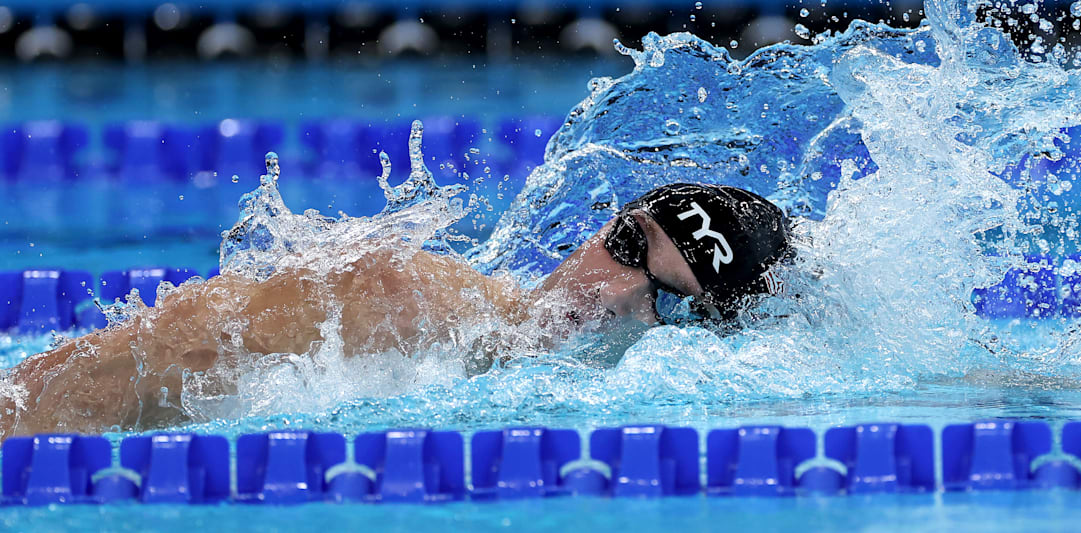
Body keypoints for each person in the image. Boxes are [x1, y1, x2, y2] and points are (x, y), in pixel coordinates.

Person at [0, 183, 793, 438]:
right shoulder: (390, 299)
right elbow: (63, 392)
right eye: (626, 242)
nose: (612, 289)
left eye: (666, 301)